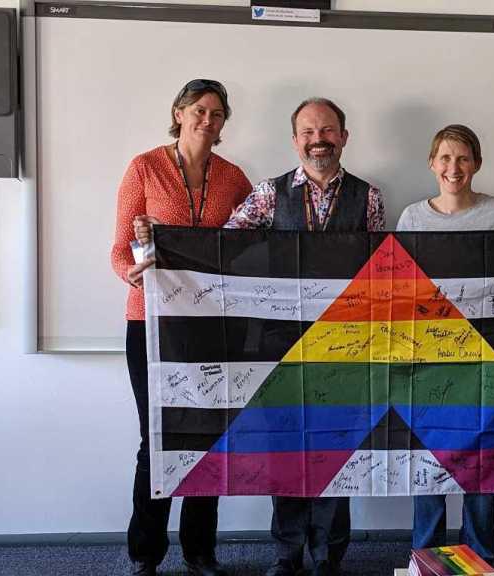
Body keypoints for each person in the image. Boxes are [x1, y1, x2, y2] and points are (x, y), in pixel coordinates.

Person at [136, 97, 385, 576]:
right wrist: (162, 243)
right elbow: (222, 247)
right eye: (309, 132)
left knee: (338, 448)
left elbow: (376, 269)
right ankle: (288, 554)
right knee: (287, 448)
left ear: (344, 137)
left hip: (346, 343)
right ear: (295, 141)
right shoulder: (269, 195)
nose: (319, 140)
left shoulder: (368, 197)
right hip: (279, 344)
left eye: (328, 130)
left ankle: (329, 557)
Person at [111, 79, 252, 576]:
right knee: (159, 439)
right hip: (149, 322)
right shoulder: (144, 167)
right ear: (178, 111)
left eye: (216, 113)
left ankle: (200, 552)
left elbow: (247, 250)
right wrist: (130, 269)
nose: (206, 120)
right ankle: (145, 554)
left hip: (213, 325)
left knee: (207, 437)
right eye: (198, 110)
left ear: (223, 122)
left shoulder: (235, 178)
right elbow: (118, 247)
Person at [397, 124, 494, 566]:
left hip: (485, 359)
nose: (454, 167)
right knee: (429, 463)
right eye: (445, 158)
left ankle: (481, 558)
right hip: (429, 361)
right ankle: (427, 557)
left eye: (464, 158)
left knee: (482, 464)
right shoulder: (412, 218)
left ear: (478, 164)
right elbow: (402, 290)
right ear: (432, 163)